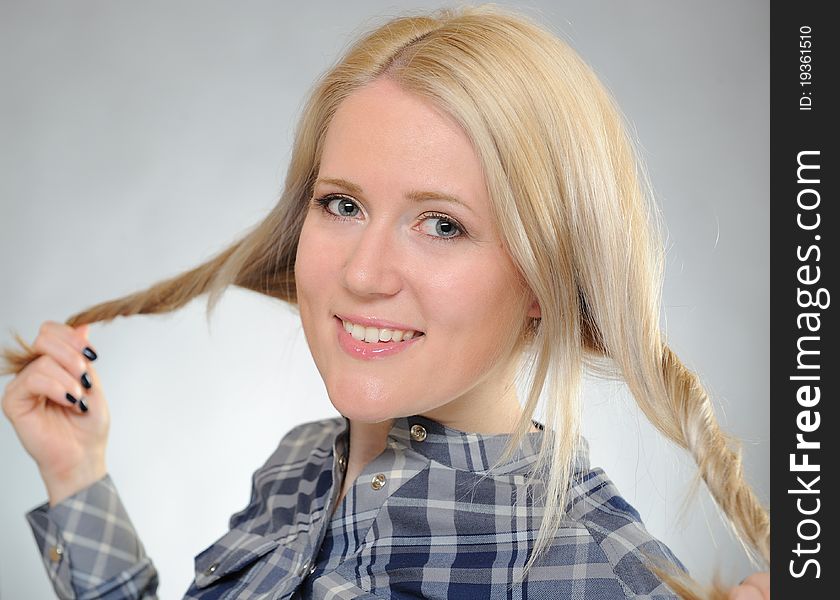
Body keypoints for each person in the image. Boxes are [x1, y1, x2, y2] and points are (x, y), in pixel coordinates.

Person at [1, 5, 769, 599]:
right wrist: (79, 478)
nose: (365, 274)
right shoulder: (298, 469)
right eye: (342, 206)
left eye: (442, 224)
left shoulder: (598, 568)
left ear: (544, 278)